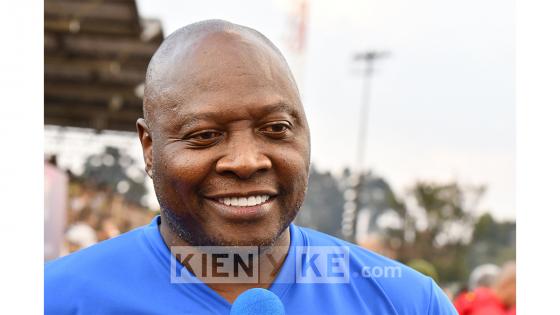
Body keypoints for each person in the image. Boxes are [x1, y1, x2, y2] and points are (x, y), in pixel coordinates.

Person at [45, 19, 457, 314]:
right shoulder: (55, 299)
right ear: (150, 148)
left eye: (275, 128)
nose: (246, 161)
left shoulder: (407, 301)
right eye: (204, 135)